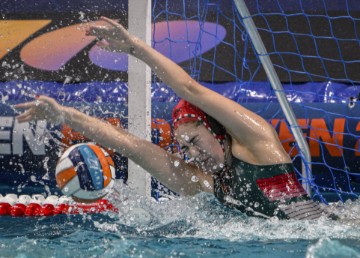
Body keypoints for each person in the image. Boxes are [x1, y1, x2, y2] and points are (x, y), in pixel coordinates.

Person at [15, 17, 333, 220]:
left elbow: (189, 88)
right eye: (184, 147)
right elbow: (130, 146)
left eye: (194, 141)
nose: (192, 154)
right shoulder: (207, 183)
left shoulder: (258, 144)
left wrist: (134, 47)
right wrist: (64, 114)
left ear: (215, 128)